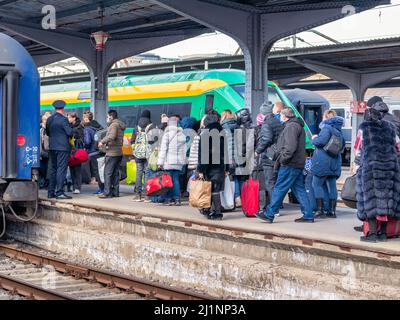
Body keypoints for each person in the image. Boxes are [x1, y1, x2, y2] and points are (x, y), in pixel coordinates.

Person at [256, 107, 314, 223]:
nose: (279, 117)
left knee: (279, 188)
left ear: (285, 116)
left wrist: (282, 159)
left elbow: (290, 147)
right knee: (299, 189)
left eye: (280, 115)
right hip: (296, 163)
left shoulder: (291, 127)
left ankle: (269, 213)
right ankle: (308, 215)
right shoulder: (296, 126)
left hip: (290, 163)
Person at [355, 108, 400, 242]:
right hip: (389, 169)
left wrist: (358, 166)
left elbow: (357, 149)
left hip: (371, 169)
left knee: (370, 200)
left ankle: (372, 234)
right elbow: (398, 147)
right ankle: (384, 234)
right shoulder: (391, 128)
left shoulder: (364, 128)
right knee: (386, 201)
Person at [310, 110, 345, 219]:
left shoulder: (326, 128)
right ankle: (332, 211)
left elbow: (320, 142)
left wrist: (314, 138)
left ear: (326, 118)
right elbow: (342, 147)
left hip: (323, 162)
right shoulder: (339, 131)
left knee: (316, 184)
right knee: (332, 186)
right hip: (334, 163)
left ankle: (320, 211)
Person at [198, 113, 228, 220]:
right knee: (216, 190)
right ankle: (217, 212)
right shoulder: (222, 134)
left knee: (208, 189)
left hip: (209, 167)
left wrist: (201, 169)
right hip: (220, 166)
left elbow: (203, 154)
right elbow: (226, 153)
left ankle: (207, 210)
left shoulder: (205, 134)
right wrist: (227, 168)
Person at [255, 102, 284, 210]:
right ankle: (278, 204)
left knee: (270, 182)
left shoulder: (267, 123)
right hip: (278, 155)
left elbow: (266, 139)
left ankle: (274, 208)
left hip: (270, 156)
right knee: (276, 182)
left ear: (263, 113)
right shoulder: (277, 121)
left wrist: (257, 151)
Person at [46, 100, 73, 200]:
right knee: (61, 169)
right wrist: (71, 126)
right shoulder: (64, 119)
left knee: (53, 170)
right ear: (63, 108)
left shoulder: (49, 119)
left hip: (52, 147)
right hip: (62, 148)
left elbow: (48, 132)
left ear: (55, 108)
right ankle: (60, 192)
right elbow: (69, 132)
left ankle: (50, 192)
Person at [157, 116, 187, 206]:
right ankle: (177, 199)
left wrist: (160, 163)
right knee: (176, 180)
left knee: (168, 181)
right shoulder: (182, 135)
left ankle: (169, 199)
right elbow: (184, 150)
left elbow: (163, 150)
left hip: (169, 162)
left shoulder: (167, 134)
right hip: (178, 163)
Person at [98, 110, 126, 199]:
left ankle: (107, 193)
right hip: (118, 152)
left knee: (108, 173)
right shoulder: (119, 125)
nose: (107, 118)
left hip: (112, 152)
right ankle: (115, 192)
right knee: (115, 173)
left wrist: (102, 142)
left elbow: (112, 136)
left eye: (107, 116)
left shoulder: (114, 125)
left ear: (111, 117)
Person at [131, 110, 156, 202]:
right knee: (147, 173)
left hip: (138, 154)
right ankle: (146, 195)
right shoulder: (152, 126)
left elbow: (132, 140)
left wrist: (136, 150)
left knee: (139, 173)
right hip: (148, 153)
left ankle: (137, 195)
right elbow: (155, 140)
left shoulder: (136, 127)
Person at [234, 108, 256, 202]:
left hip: (240, 156)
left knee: (236, 177)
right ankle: (244, 198)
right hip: (249, 157)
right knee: (244, 178)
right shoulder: (253, 128)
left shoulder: (239, 129)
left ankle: (238, 197)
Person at [82, 111, 104, 194]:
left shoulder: (87, 128)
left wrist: (85, 146)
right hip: (101, 151)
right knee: (101, 170)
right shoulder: (99, 126)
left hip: (93, 152)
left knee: (96, 172)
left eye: (84, 118)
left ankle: (101, 189)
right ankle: (104, 188)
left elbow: (87, 141)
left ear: (86, 119)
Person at [220, 110, 239, 205]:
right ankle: (238, 197)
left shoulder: (223, 128)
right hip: (238, 157)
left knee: (228, 179)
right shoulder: (238, 126)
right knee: (236, 178)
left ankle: (230, 200)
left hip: (228, 157)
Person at [67, 112, 84, 194]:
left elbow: (82, 139)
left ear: (74, 118)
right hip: (70, 151)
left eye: (69, 117)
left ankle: (77, 187)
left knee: (77, 170)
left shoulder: (79, 127)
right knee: (72, 169)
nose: (68, 119)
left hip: (77, 151)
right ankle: (74, 186)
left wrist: (75, 140)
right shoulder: (69, 126)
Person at [39, 112, 51, 189]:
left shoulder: (50, 129)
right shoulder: (40, 130)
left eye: (46, 120)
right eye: (43, 120)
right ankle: (44, 182)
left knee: (48, 169)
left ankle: (48, 183)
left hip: (49, 152)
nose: (44, 121)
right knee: (42, 168)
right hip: (42, 152)